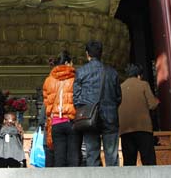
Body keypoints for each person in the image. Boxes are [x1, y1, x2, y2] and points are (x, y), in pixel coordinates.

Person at [73, 39, 121, 167]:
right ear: (101, 53)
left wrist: (84, 108)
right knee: (112, 155)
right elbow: (118, 97)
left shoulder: (81, 72)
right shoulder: (112, 72)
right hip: (110, 116)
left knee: (92, 154)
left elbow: (76, 98)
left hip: (89, 117)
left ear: (87, 54)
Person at [43, 50, 80, 167]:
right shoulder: (76, 78)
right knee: (73, 157)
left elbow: (46, 102)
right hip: (71, 121)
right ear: (67, 63)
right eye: (71, 62)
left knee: (59, 158)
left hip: (55, 123)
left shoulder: (48, 80)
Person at [118, 63, 159, 166]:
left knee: (129, 163)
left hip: (125, 129)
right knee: (148, 161)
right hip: (143, 127)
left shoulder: (120, 87)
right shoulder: (143, 84)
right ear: (139, 75)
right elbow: (152, 105)